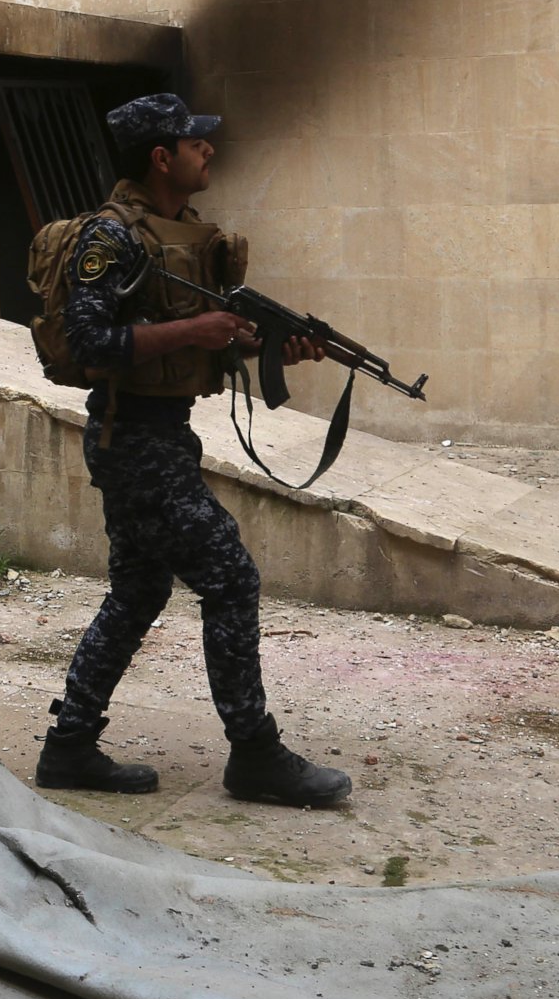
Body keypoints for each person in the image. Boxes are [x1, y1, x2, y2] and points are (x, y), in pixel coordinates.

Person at [35, 93, 353, 808]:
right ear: (160, 157)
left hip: (161, 434)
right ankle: (255, 755)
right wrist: (196, 333)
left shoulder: (176, 235)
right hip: (132, 437)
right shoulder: (109, 239)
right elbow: (91, 344)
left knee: (140, 590)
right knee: (230, 576)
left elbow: (193, 334)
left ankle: (70, 746)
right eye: (195, 142)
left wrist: (269, 346)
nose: (208, 150)